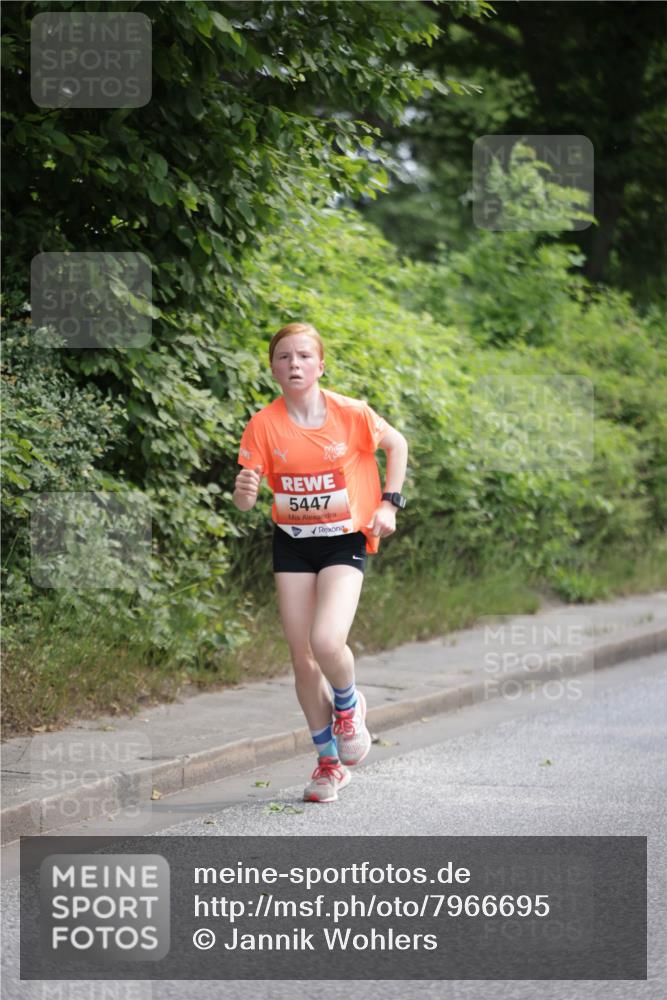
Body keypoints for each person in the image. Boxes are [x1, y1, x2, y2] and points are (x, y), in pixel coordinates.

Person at [233, 322, 408, 803]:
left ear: (320, 366)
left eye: (304, 356)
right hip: (292, 543)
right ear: (273, 369)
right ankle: (329, 765)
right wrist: (244, 492)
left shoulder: (351, 413)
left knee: (326, 640)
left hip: (343, 540)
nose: (294, 364)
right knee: (302, 657)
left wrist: (389, 503)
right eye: (284, 357)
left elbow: (397, 445)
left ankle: (348, 706)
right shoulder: (263, 424)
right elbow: (246, 500)